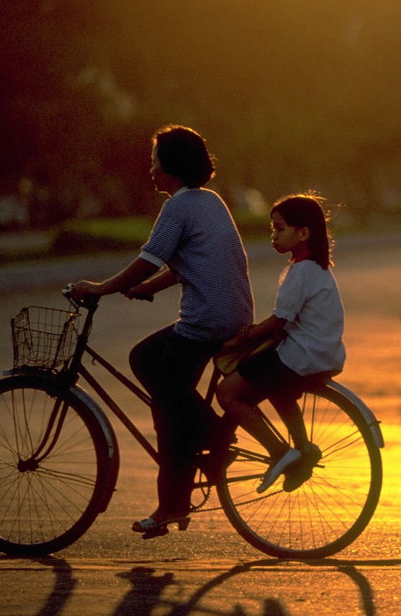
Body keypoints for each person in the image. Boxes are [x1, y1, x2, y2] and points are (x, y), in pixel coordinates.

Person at [70, 125, 253, 537]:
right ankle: (191, 463)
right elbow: (186, 262)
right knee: (154, 375)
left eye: (155, 162)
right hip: (232, 314)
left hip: (206, 320)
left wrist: (100, 288)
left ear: (171, 168)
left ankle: (214, 442)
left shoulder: (179, 206)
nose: (150, 169)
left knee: (168, 404)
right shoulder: (210, 202)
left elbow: (149, 259)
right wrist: (145, 289)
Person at [216, 193, 345, 493]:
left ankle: (279, 451)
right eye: (272, 228)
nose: (274, 235)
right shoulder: (316, 269)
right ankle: (302, 447)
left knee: (228, 392)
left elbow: (278, 320)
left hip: (300, 356)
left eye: (280, 228)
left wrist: (244, 335)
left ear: (303, 233)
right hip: (321, 354)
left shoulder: (301, 272)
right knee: (273, 385)